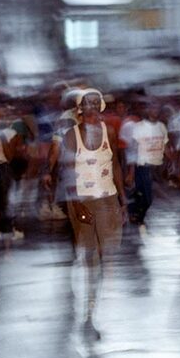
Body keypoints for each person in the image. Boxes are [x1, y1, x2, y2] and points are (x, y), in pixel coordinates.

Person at [57, 88, 127, 337]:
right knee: (89, 259)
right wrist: (75, 204)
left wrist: (123, 198)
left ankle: (93, 301)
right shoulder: (71, 135)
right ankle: (88, 312)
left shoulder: (109, 131)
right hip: (83, 202)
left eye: (97, 102)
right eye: (88, 103)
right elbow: (65, 172)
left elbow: (116, 164)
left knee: (104, 254)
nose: (93, 106)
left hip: (107, 200)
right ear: (79, 108)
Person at [126, 103, 169, 232]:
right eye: (152, 108)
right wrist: (131, 172)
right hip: (143, 166)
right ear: (148, 110)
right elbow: (132, 149)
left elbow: (165, 146)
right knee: (147, 197)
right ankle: (137, 215)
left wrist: (172, 163)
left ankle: (136, 212)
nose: (154, 111)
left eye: (157, 108)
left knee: (148, 196)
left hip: (157, 167)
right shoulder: (139, 127)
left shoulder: (161, 126)